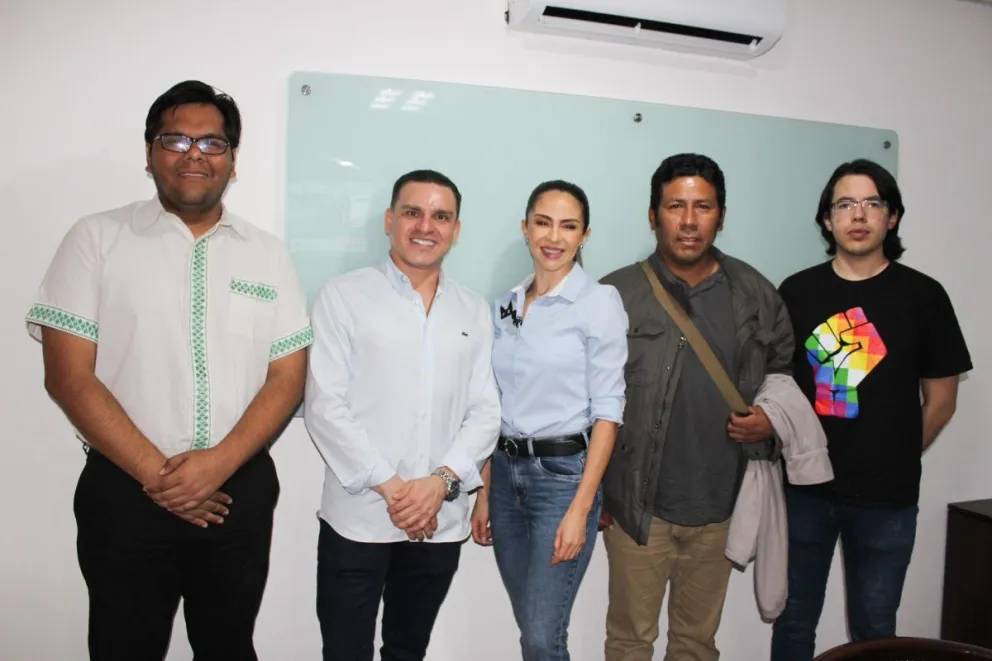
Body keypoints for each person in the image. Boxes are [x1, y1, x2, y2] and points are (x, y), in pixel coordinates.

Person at [25, 80, 312, 661]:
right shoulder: (96, 239)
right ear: (150, 152)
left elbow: (287, 378)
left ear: (233, 160)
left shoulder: (267, 255)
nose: (194, 154)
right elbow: (69, 377)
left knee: (228, 647)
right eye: (176, 140)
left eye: (212, 143)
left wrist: (217, 466)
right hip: (124, 490)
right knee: (123, 647)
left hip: (237, 491)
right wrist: (163, 478)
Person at [770, 159, 972, 660]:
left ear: (892, 216)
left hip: (887, 498)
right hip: (805, 490)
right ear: (826, 220)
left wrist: (896, 455)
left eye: (872, 203)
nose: (858, 215)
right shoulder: (796, 291)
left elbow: (942, 401)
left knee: (876, 631)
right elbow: (776, 388)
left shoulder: (924, 295)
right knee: (793, 622)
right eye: (844, 204)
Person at [598, 153, 795, 661]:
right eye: (675, 206)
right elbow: (585, 402)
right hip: (637, 509)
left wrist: (771, 423)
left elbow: (785, 379)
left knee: (696, 645)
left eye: (703, 207)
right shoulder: (615, 294)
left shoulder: (755, 293)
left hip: (722, 509)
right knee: (629, 642)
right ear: (653, 215)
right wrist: (593, 492)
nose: (689, 221)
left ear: (721, 217)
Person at [303, 169, 502, 661]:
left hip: (439, 521)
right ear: (390, 220)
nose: (425, 226)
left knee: (408, 651)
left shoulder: (473, 310)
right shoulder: (342, 296)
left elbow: (485, 412)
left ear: (456, 230)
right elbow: (325, 406)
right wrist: (397, 491)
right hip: (358, 519)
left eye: (441, 217)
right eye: (413, 212)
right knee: (344, 653)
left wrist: (439, 484)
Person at [470, 181, 628, 660]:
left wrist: (581, 508)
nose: (554, 237)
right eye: (543, 223)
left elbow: (609, 411)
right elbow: (493, 402)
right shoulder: (504, 305)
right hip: (504, 477)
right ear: (525, 228)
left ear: (584, 235)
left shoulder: (598, 302)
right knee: (531, 626)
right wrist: (484, 491)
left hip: (562, 480)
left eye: (568, 226)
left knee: (543, 635)